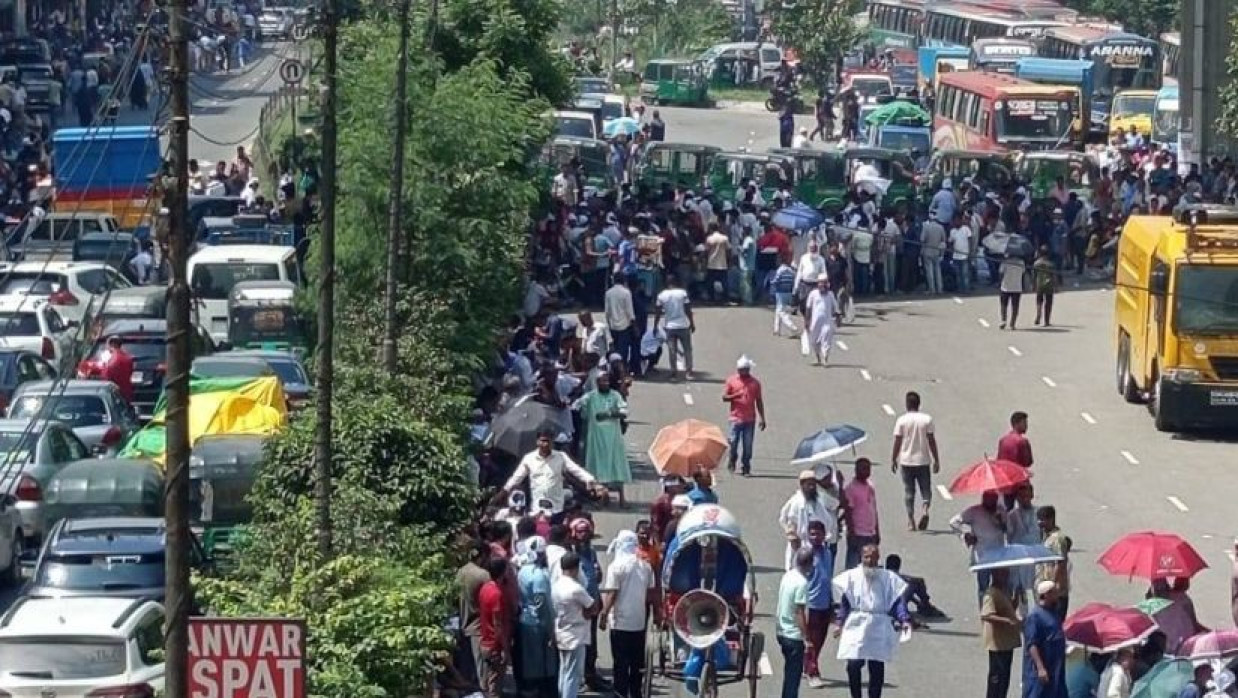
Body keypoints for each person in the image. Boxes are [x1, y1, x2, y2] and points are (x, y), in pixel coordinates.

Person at [833, 544, 911, 698]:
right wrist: (839, 623)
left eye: (873, 557)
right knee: (853, 664)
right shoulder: (851, 577)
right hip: (857, 623)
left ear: (878, 558)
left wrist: (904, 620)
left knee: (876, 666)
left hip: (878, 624)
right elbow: (845, 603)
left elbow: (896, 603)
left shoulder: (888, 578)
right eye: (867, 557)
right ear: (861, 558)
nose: (870, 560)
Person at [600, 530, 658, 698]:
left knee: (620, 663)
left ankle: (620, 693)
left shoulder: (616, 567)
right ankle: (636, 693)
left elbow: (612, 593)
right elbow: (652, 593)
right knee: (636, 663)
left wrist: (604, 614)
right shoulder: (645, 566)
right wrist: (657, 613)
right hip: (639, 623)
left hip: (620, 623)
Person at [499, 430, 607, 519]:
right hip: (536, 507)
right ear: (537, 442)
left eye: (548, 441)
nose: (545, 444)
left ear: (552, 442)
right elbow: (516, 478)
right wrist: (503, 492)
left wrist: (592, 481)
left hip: (556, 507)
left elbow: (576, 470)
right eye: (543, 441)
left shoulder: (561, 457)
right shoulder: (529, 458)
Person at [575, 374, 631, 505]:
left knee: (617, 465)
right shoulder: (591, 396)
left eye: (607, 381)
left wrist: (609, 414)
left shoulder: (615, 395)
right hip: (596, 438)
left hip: (613, 438)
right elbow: (578, 407)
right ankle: (600, 496)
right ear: (597, 383)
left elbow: (624, 412)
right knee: (597, 466)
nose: (605, 383)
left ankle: (622, 499)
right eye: (602, 381)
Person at [552, 552, 599, 698]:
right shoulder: (575, 588)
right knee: (573, 674)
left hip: (561, 630)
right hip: (575, 634)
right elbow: (592, 607)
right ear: (575, 568)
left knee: (564, 671)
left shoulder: (556, 585)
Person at [892, 391, 940, 532]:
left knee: (909, 491)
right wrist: (936, 459)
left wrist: (893, 458)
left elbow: (897, 440)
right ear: (919, 404)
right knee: (926, 489)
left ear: (907, 404)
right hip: (923, 460)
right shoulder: (926, 420)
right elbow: (931, 440)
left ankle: (911, 520)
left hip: (906, 461)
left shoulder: (901, 420)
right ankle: (925, 509)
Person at [950, 490, 1009, 603]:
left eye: (994, 499)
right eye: (988, 499)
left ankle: (998, 610)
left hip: (999, 555)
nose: (991, 502)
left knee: (1001, 586)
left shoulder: (1001, 511)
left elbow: (1007, 530)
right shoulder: (974, 511)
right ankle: (984, 612)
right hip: (982, 556)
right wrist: (965, 535)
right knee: (983, 587)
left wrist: (1000, 520)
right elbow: (953, 522)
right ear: (983, 499)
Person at [779, 470, 839, 571]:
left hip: (818, 545)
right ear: (802, 485)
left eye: (814, 484)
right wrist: (792, 535)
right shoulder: (796, 502)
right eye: (809, 484)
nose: (812, 487)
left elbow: (834, 506)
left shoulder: (818, 500)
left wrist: (838, 485)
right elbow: (787, 520)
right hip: (801, 546)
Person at [776, 547, 814, 698]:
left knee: (789, 673)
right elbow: (799, 612)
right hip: (793, 635)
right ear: (810, 564)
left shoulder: (788, 576)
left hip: (781, 631)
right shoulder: (802, 583)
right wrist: (806, 638)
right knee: (793, 677)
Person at [804, 520, 836, 688]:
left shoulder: (828, 553)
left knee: (820, 640)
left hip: (825, 603)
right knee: (811, 640)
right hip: (810, 604)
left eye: (818, 533)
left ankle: (808, 663)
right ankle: (812, 671)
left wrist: (832, 603)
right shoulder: (805, 554)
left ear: (824, 535)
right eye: (812, 533)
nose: (815, 537)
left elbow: (828, 578)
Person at [722, 355, 766, 476]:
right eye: (740, 370)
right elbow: (724, 397)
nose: (742, 372)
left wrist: (762, 418)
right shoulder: (732, 381)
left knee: (747, 445)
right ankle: (732, 459)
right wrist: (735, 396)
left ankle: (746, 467)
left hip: (749, 419)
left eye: (744, 370)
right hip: (735, 418)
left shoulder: (755, 383)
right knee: (733, 442)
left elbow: (759, 400)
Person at [981, 567, 1021, 698]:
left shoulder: (1004, 591)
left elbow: (1008, 609)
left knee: (1004, 678)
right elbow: (987, 615)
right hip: (998, 644)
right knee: (997, 678)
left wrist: (1016, 599)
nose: (1006, 575)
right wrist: (1007, 621)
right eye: (1003, 573)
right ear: (995, 574)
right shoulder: (991, 593)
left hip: (1007, 643)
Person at [456, 541, 491, 690]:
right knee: (482, 672)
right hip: (478, 627)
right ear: (482, 555)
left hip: (463, 625)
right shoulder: (483, 575)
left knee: (466, 671)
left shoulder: (460, 572)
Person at [1024, 581, 1068, 698]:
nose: (1057, 595)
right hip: (1043, 668)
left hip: (1056, 667)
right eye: (1054, 592)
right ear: (1046, 594)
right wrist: (1040, 668)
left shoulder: (1054, 612)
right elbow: (1032, 644)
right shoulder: (1034, 616)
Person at [478, 556, 512, 698]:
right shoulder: (497, 594)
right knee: (495, 686)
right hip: (494, 645)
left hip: (485, 641)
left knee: (490, 680)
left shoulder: (485, 588)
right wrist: (505, 648)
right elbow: (497, 624)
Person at [654, 274, 694, 381]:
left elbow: (657, 311)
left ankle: (674, 373)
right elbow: (687, 309)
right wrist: (692, 322)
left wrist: (655, 325)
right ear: (676, 282)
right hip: (683, 325)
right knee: (687, 350)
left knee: (672, 351)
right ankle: (689, 372)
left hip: (670, 326)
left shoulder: (662, 295)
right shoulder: (682, 293)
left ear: (667, 283)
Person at [843, 458, 880, 569]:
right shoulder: (851, 489)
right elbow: (848, 513)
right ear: (856, 470)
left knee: (870, 565)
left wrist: (877, 531)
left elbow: (874, 509)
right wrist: (851, 533)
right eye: (863, 468)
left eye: (868, 468)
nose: (866, 471)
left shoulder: (870, 486)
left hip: (871, 534)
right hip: (858, 534)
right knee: (854, 566)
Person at [1036, 506, 1070, 621]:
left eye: (1042, 519)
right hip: (1046, 589)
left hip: (1056, 593)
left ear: (1051, 519)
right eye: (1038, 519)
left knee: (1055, 623)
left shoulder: (1057, 538)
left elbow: (1060, 563)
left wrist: (1051, 584)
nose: (1039, 523)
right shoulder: (1046, 537)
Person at [605, 274, 640, 376]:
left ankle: (613, 371)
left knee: (614, 350)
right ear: (623, 280)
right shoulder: (626, 293)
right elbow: (630, 311)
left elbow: (607, 312)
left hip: (613, 326)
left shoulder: (608, 293)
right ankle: (622, 372)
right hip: (624, 326)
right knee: (623, 351)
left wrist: (609, 324)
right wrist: (635, 326)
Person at [804, 275, 842, 366]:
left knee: (826, 340)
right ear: (818, 284)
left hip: (827, 322)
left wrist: (838, 319)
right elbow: (808, 308)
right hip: (815, 323)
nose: (822, 285)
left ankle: (825, 359)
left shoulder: (830, 294)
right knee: (814, 341)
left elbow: (836, 308)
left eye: (824, 283)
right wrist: (807, 321)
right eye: (820, 282)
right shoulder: (813, 294)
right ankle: (818, 358)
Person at [95, 336, 135, 403]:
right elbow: (130, 372)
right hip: (126, 392)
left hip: (114, 394)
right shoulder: (127, 357)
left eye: (108, 345)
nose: (107, 347)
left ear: (113, 344)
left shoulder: (112, 358)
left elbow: (106, 376)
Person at [999, 249, 1027, 330]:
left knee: (1004, 305)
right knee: (1015, 306)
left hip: (1005, 286)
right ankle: (1012, 323)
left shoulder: (1005, 262)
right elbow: (1023, 273)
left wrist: (1000, 282)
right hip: (1017, 287)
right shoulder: (1021, 262)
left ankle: (1003, 320)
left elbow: (1000, 272)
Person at [1033, 245, 1058, 326]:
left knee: (1039, 301)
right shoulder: (1051, 264)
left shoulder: (1036, 263)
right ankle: (1046, 321)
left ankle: (1038, 314)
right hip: (1049, 285)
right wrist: (1056, 286)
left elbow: (1034, 275)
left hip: (1039, 284)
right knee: (1048, 303)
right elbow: (1054, 276)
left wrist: (1033, 285)